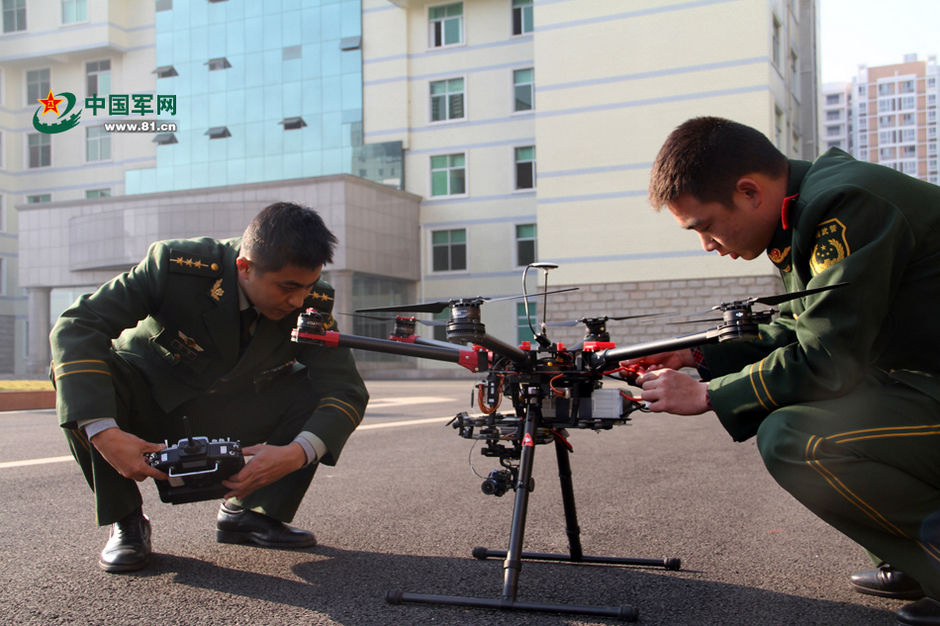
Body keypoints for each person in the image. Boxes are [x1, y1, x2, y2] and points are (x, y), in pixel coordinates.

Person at [625, 117, 940, 625]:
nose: (707, 245)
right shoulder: (805, 211)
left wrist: (708, 396)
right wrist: (693, 358)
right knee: (803, 411)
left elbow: (828, 360)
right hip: (923, 383)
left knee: (794, 436)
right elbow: (801, 331)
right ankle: (915, 558)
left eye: (704, 225)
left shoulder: (845, 206)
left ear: (749, 192)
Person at [52, 202, 369, 573]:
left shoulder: (311, 303)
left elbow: (346, 389)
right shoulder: (177, 267)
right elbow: (76, 325)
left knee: (313, 388)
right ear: (244, 267)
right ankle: (127, 522)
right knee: (78, 376)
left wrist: (297, 453)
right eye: (287, 287)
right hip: (147, 407)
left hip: (228, 414)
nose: (298, 301)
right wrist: (104, 434)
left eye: (307, 286)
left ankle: (250, 514)